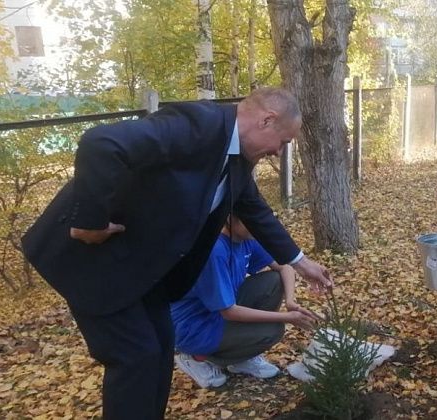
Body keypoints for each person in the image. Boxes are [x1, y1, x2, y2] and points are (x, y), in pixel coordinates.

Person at [21, 87, 333, 420]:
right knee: (135, 356)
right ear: (266, 120)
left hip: (143, 266)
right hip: (91, 260)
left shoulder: (237, 159)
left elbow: (255, 211)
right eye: (283, 143)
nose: (277, 152)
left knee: (160, 346)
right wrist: (90, 222)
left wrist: (301, 263)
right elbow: (101, 143)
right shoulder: (197, 124)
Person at [171, 216, 330, 388]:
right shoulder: (215, 250)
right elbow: (229, 311)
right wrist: (287, 317)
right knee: (272, 330)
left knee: (273, 281)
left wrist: (290, 301)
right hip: (193, 327)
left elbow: (284, 267)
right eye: (249, 218)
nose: (257, 225)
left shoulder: (245, 238)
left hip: (217, 310)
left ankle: (241, 359)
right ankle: (195, 358)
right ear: (231, 219)